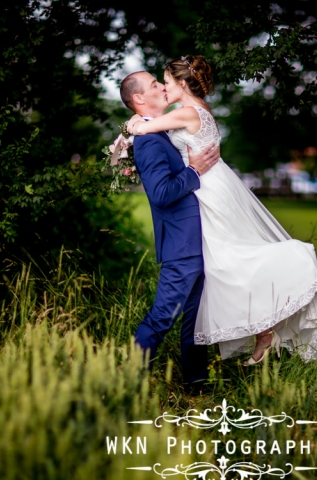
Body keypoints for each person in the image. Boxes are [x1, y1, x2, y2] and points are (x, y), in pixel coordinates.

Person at [126, 55, 317, 376]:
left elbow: (142, 125)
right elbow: (150, 136)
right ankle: (261, 332)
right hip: (206, 188)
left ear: (182, 84)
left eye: (165, 81)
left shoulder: (187, 112)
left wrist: (129, 128)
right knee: (225, 265)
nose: (163, 87)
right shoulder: (191, 111)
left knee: (230, 260)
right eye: (157, 84)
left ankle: (268, 321)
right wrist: (132, 139)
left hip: (207, 189)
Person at [119, 70, 220, 389]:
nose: (163, 87)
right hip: (181, 245)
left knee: (195, 321)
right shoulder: (148, 141)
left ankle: (197, 383)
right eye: (154, 85)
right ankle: (128, 383)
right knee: (162, 318)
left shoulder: (158, 132)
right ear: (138, 99)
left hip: (195, 241)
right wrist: (194, 171)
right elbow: (161, 194)